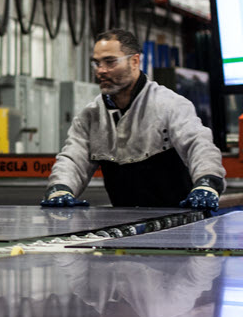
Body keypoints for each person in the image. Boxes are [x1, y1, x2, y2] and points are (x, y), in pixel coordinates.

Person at [42, 28, 225, 210]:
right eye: (96, 63)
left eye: (110, 62)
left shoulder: (170, 105)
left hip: (178, 224)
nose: (101, 71)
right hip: (123, 225)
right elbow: (73, 160)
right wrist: (60, 189)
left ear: (134, 61)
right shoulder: (90, 117)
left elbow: (198, 145)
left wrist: (207, 182)